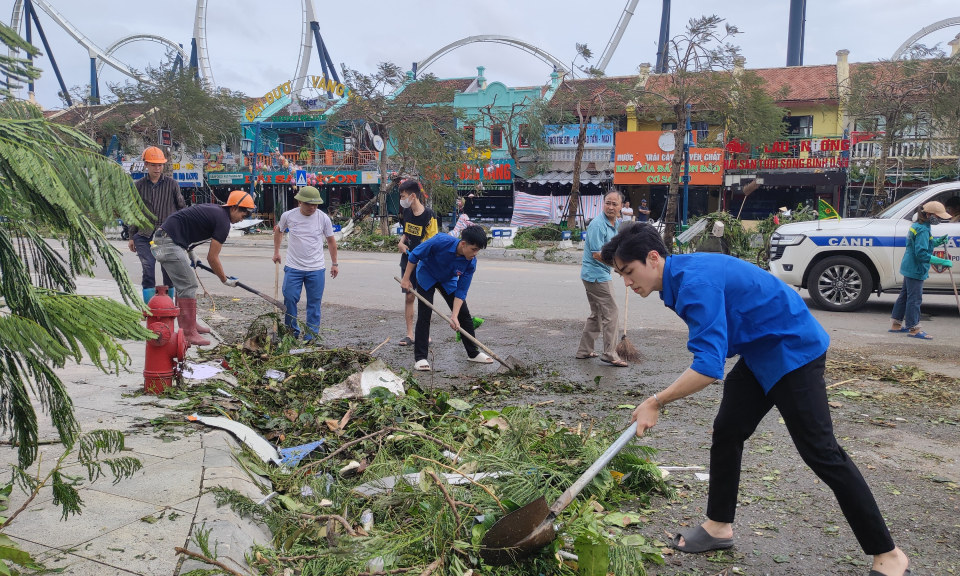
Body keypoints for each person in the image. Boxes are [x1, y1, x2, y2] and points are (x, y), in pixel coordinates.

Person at [603, 222, 910, 576]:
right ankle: (718, 526)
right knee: (729, 430)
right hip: (761, 348)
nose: (626, 282)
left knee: (822, 453)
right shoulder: (680, 276)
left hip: (793, 350)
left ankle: (889, 556)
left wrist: (656, 401)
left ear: (652, 258)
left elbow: (707, 367)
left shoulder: (693, 284)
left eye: (628, 271)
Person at [153, 190, 253, 346]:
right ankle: (188, 332)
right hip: (167, 243)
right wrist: (225, 280)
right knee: (188, 284)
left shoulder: (216, 212)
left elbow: (189, 226)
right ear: (234, 208)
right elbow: (212, 258)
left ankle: (190, 324)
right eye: (243, 215)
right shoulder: (223, 221)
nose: (242, 220)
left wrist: (191, 252)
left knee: (184, 285)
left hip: (167, 239)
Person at [400, 225, 493, 371]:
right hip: (427, 274)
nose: (475, 253)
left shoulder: (470, 262)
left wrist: (454, 316)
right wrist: (406, 279)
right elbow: (415, 255)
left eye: (478, 250)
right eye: (474, 249)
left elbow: (461, 290)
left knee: (464, 315)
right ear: (463, 244)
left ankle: (473, 353)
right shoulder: (440, 241)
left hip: (447, 279)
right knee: (425, 314)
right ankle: (420, 358)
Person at [272, 186, 339, 341]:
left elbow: (331, 241)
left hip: (316, 268)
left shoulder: (323, 218)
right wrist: (276, 252)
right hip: (293, 267)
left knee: (314, 304)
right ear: (300, 202)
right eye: (309, 204)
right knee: (289, 298)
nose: (312, 207)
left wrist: (335, 263)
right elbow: (279, 231)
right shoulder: (288, 216)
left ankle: (311, 336)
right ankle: (291, 332)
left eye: (315, 204)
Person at [127, 146, 186, 304]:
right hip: (144, 235)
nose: (157, 168)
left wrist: (184, 235)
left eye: (160, 165)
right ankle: (149, 309)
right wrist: (132, 237)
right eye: (153, 164)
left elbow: (182, 209)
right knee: (148, 272)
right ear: (146, 164)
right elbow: (134, 212)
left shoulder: (172, 184)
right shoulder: (138, 186)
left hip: (167, 235)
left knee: (169, 273)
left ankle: (169, 306)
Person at [576, 190, 627, 367]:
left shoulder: (616, 223)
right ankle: (610, 353)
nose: (610, 207)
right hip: (596, 275)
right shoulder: (598, 225)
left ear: (622, 206)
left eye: (614, 204)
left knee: (597, 314)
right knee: (611, 313)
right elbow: (597, 254)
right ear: (603, 203)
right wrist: (620, 268)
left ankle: (584, 350)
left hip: (598, 274)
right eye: (608, 203)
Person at [889, 201, 953, 340]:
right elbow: (922, 254)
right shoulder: (923, 229)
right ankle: (914, 329)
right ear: (929, 214)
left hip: (909, 266)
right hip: (916, 268)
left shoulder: (919, 226)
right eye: (938, 216)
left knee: (905, 296)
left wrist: (936, 242)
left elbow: (921, 244)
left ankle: (896, 325)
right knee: (914, 299)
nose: (940, 219)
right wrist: (942, 261)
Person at [396, 180, 438, 347]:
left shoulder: (429, 215)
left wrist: (420, 254)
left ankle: (424, 334)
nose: (402, 199)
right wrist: (401, 243)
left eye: (403, 196)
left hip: (424, 263)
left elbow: (432, 241)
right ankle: (409, 334)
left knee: (424, 298)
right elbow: (406, 232)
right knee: (409, 296)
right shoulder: (406, 212)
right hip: (407, 261)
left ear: (413, 196)